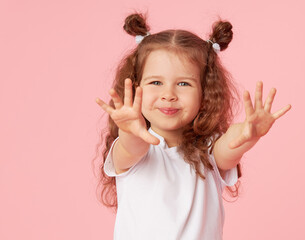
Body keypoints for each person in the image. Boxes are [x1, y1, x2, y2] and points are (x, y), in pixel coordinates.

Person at [95, 12, 291, 240]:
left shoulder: (208, 149)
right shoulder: (132, 149)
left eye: (183, 83)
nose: (169, 95)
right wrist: (129, 131)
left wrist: (248, 134)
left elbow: (228, 146)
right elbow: (131, 148)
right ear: (137, 86)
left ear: (204, 92)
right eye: (156, 82)